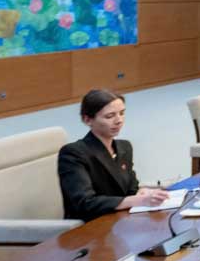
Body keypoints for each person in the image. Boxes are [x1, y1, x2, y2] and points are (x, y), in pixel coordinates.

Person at [57, 89, 169, 221]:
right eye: (110, 116)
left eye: (122, 113)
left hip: (120, 218)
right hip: (91, 225)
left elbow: (131, 189)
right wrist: (139, 200)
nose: (119, 120)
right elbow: (86, 203)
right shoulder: (73, 153)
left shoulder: (124, 147)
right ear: (87, 120)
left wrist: (142, 193)